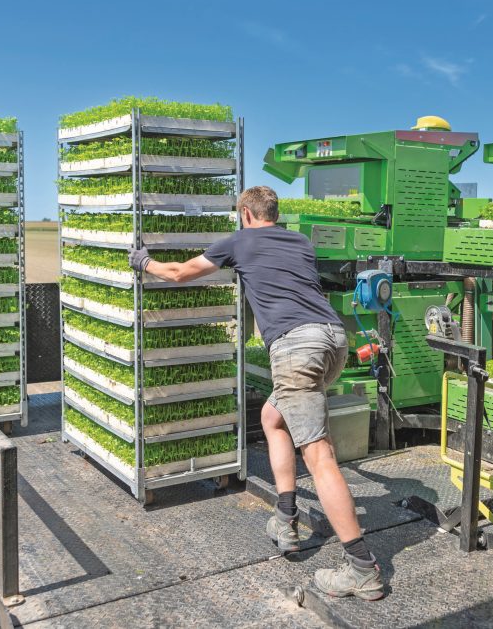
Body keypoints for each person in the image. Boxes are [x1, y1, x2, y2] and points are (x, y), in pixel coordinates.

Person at [128, 185, 384, 601]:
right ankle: (286, 518)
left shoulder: (240, 241)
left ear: (245, 214)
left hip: (296, 347)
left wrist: (145, 262)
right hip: (334, 339)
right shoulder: (299, 242)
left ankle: (361, 568)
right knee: (272, 417)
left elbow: (179, 273)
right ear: (274, 213)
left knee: (319, 456)